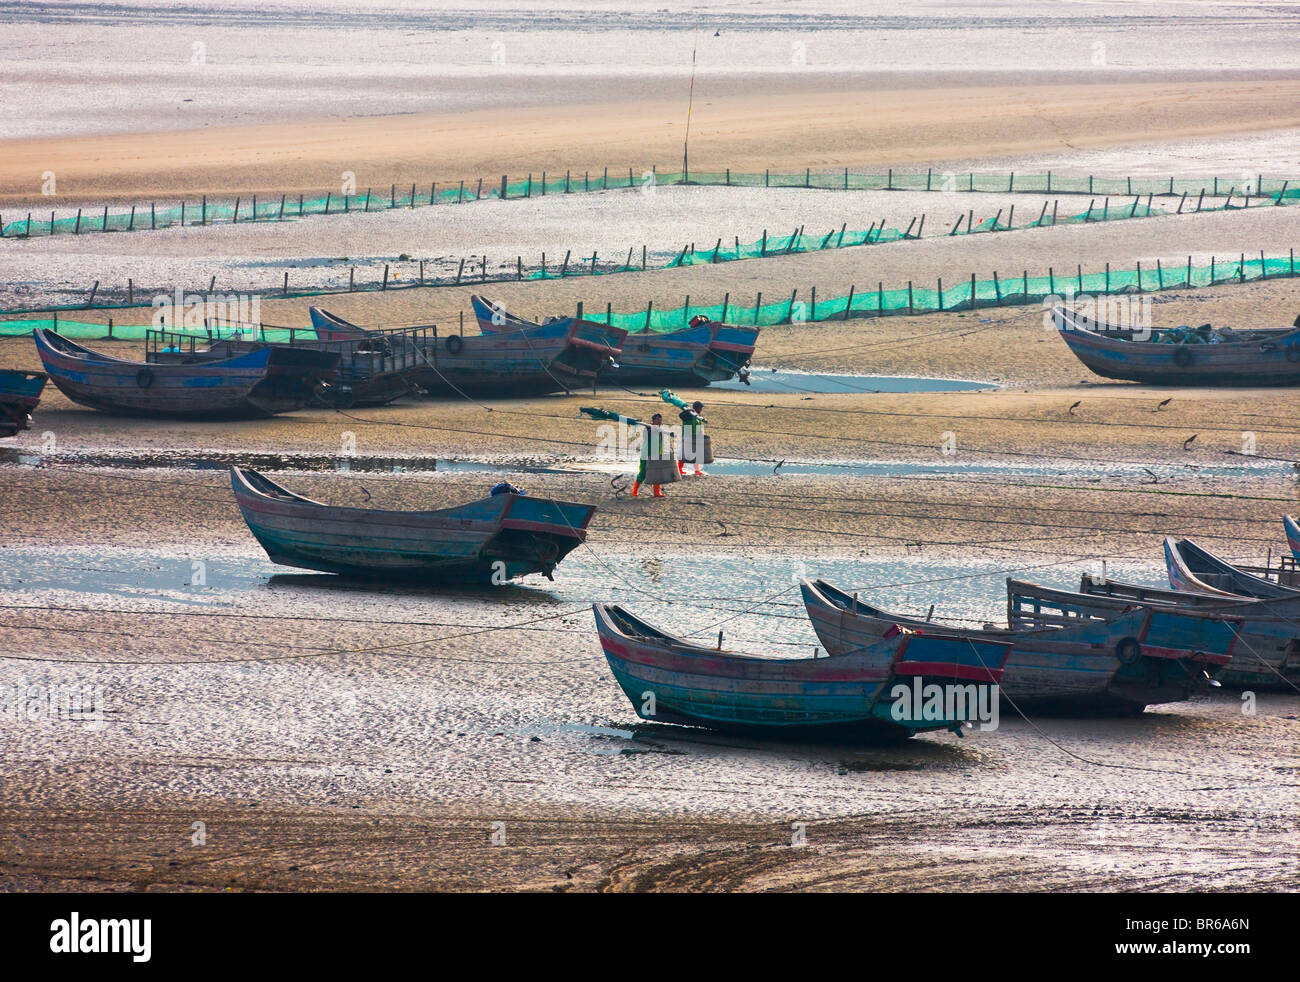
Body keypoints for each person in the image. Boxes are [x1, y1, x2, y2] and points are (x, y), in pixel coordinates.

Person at [634, 413, 669, 497]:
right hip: (646, 455)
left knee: (658, 473)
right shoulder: (647, 429)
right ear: (653, 421)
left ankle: (657, 492)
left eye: (660, 420)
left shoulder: (660, 430)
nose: (659, 421)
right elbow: (646, 436)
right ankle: (634, 490)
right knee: (642, 473)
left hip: (657, 455)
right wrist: (651, 428)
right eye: (657, 420)